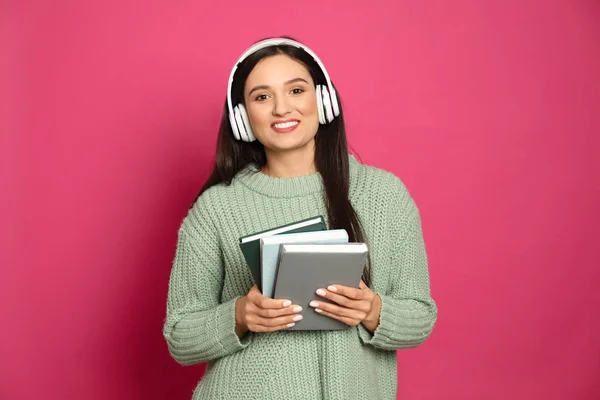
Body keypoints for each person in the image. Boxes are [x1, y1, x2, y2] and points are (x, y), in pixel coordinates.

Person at [163, 36, 437, 400]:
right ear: (243, 118)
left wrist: (373, 310)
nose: (281, 108)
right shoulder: (216, 208)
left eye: (295, 90)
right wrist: (242, 315)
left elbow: (419, 317)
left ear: (322, 100)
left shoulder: (384, 195)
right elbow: (180, 335)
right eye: (262, 97)